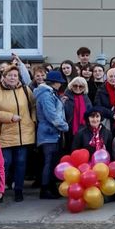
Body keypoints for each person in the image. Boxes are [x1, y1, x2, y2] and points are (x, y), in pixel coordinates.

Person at [0, 65, 36, 202]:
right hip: (5, 134)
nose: (13, 78)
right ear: (4, 77)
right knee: (5, 163)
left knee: (21, 163)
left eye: (15, 75)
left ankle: (18, 190)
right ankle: (0, 191)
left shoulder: (26, 90)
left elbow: (33, 106)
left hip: (24, 134)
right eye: (10, 75)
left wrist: (32, 121)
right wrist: (10, 117)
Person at [34, 70, 72, 199]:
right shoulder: (46, 95)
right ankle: (45, 190)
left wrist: (61, 101)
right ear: (55, 83)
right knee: (48, 162)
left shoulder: (49, 94)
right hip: (48, 134)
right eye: (59, 83)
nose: (60, 85)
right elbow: (52, 116)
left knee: (51, 162)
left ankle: (50, 187)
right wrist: (65, 126)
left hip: (51, 134)